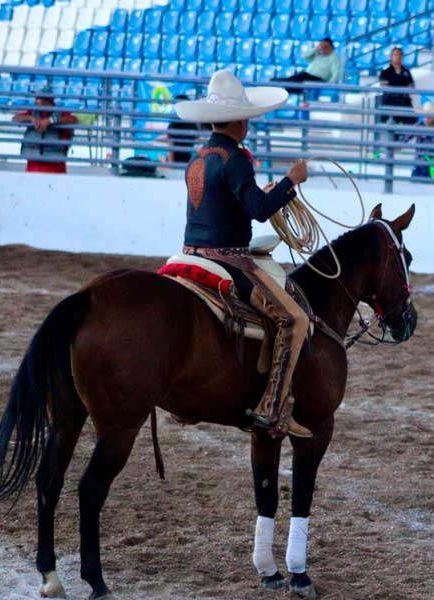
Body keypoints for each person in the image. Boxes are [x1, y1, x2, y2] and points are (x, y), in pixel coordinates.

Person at [174, 70, 312, 438]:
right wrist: (291, 181)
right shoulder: (235, 159)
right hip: (228, 260)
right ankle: (273, 407)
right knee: (295, 321)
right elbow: (261, 209)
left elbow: (231, 201)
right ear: (240, 121)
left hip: (189, 253)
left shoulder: (198, 156)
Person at [12, 88, 78, 174]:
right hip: (33, 167)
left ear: (47, 100)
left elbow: (73, 120)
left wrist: (51, 121)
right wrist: (30, 118)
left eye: (38, 99)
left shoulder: (61, 113)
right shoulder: (33, 112)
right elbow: (16, 118)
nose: (35, 101)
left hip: (55, 168)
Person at [274, 37, 342, 94]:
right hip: (308, 76)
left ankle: (285, 84)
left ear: (331, 47)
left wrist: (329, 85)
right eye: (322, 46)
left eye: (326, 47)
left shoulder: (334, 59)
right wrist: (316, 49)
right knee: (300, 75)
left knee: (302, 75)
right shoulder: (318, 55)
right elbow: (305, 56)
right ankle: (285, 84)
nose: (323, 48)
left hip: (319, 79)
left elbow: (336, 73)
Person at [410, 101, 434, 179]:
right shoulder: (419, 126)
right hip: (419, 163)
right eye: (426, 115)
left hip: (432, 164)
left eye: (430, 115)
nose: (427, 118)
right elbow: (406, 137)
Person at [377, 47, 416, 125]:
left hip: (405, 102)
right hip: (390, 102)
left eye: (400, 55)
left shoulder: (406, 72)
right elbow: (385, 87)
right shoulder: (386, 72)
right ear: (391, 57)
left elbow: (411, 87)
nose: (398, 57)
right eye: (395, 55)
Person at [166, 94, 203, 164]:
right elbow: (198, 141)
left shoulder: (174, 124)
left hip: (176, 161)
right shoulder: (192, 124)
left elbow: (170, 148)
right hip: (188, 161)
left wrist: (171, 165)